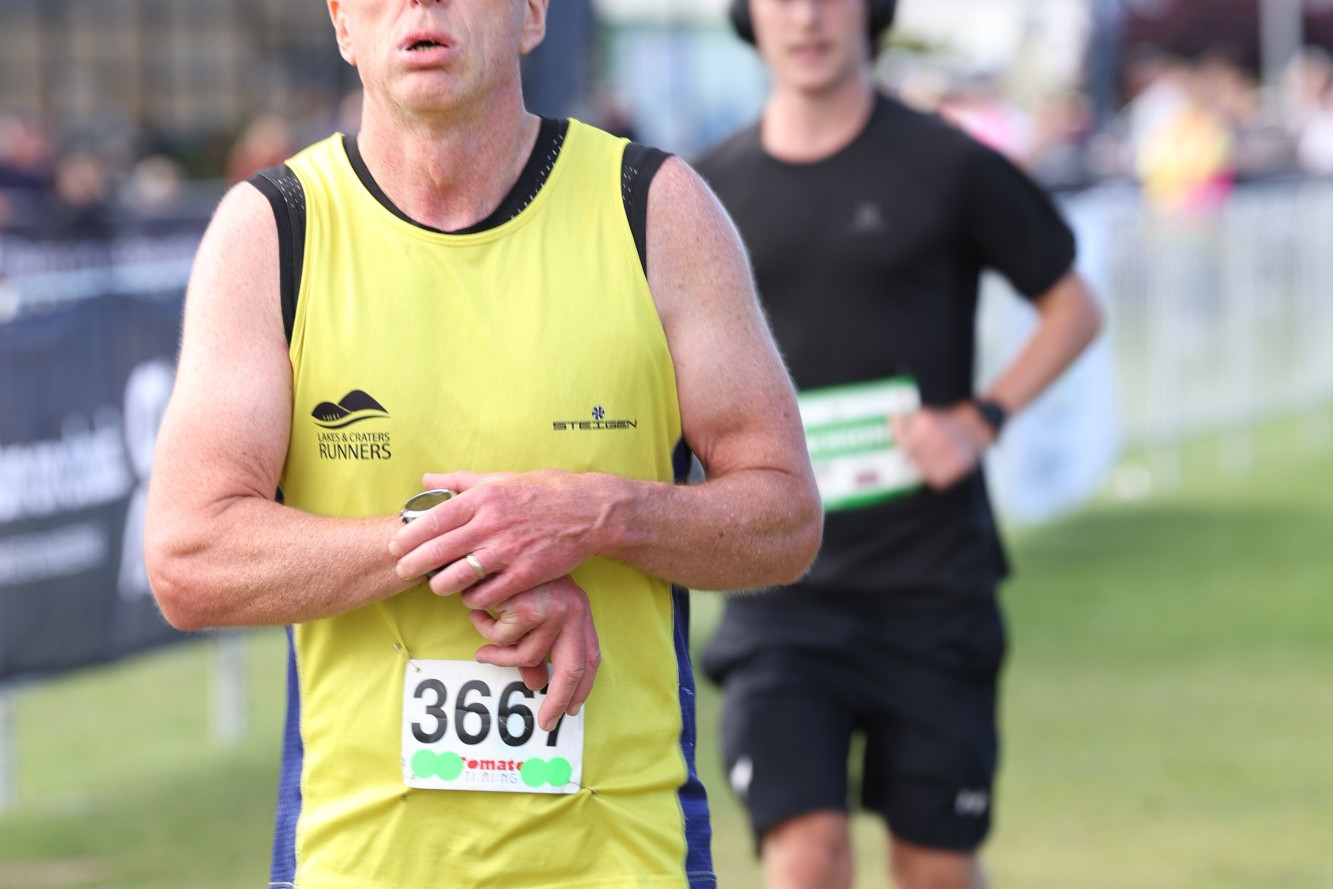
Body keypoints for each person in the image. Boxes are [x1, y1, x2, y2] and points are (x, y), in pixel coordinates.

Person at [143, 2, 822, 888]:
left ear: (533, 16)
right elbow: (190, 560)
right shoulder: (273, 230)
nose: (422, 4)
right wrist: (472, 541)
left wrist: (599, 513)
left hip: (621, 854)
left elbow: (784, 520)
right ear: (343, 26)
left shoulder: (654, 208)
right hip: (359, 862)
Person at [693, 2, 1103, 888]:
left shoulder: (944, 162)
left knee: (934, 868)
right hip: (778, 592)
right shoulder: (702, 191)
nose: (805, 18)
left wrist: (981, 417)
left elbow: (1074, 306)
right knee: (805, 856)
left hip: (930, 587)